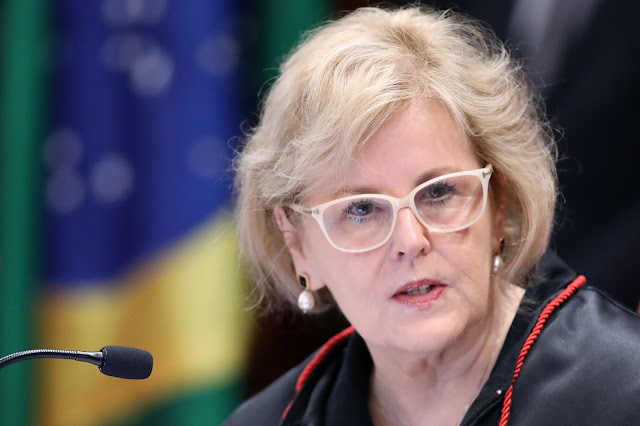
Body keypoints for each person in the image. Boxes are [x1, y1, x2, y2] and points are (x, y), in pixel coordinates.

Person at [225, 6, 640, 425]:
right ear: (298, 244)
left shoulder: (625, 391)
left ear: (499, 202)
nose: (410, 240)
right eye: (362, 209)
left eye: (438, 192)